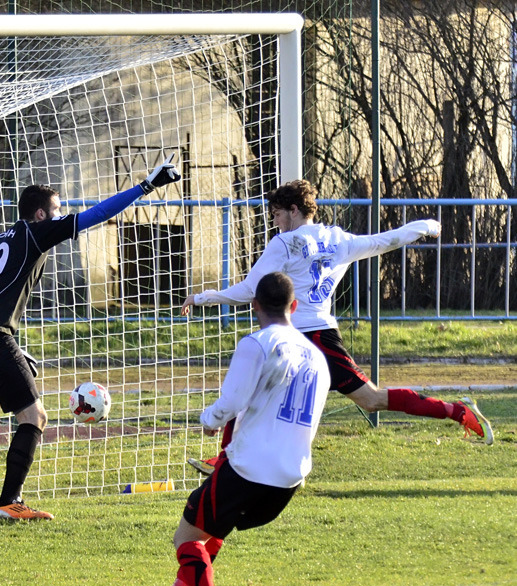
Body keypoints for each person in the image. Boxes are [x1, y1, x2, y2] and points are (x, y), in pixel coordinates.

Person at [183, 179, 493, 476]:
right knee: (264, 388)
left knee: (366, 399)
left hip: (300, 337)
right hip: (321, 335)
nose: (275, 222)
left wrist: (202, 297)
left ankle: (457, 410)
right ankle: (225, 461)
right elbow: (385, 241)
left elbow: (250, 289)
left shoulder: (285, 243)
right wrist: (425, 226)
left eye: (277, 214)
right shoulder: (339, 240)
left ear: (293, 210)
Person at [0, 155, 180, 521]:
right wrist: (146, 186)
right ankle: (9, 503)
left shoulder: (4, 238)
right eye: (57, 210)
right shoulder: (37, 232)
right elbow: (98, 214)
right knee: (34, 416)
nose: (61, 215)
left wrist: (11, 347)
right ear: (41, 214)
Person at [141, 272, 330, 586]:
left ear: (254, 305)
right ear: (294, 306)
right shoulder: (318, 358)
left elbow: (232, 401)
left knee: (186, 538)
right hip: (291, 476)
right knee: (212, 530)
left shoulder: (257, 343)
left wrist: (209, 419)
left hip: (250, 467)